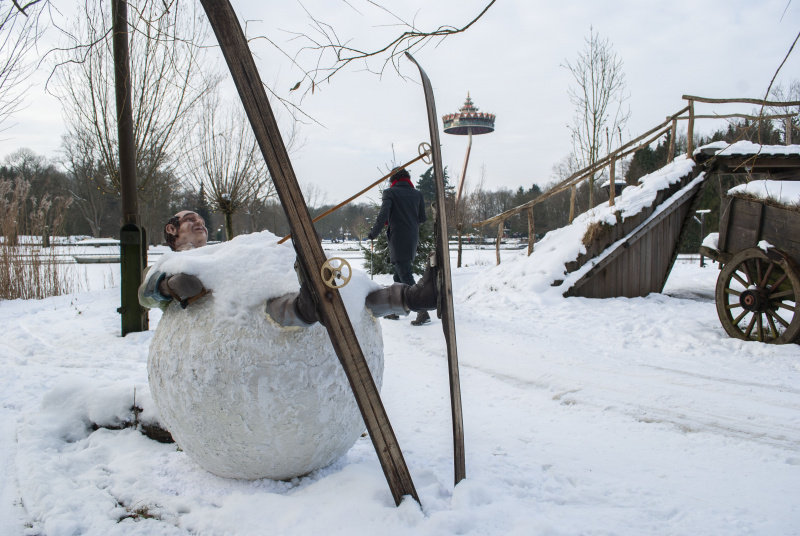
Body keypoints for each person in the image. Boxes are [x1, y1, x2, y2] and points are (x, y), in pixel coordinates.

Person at [138, 210, 438, 327]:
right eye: (190, 219)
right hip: (238, 303)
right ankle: (304, 307)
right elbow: (146, 295)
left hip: (262, 273)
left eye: (202, 220)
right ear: (172, 230)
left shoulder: (225, 247)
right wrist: (167, 285)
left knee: (344, 287)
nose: (199, 221)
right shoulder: (168, 263)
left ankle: (414, 297)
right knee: (266, 299)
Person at [366, 167, 430, 326]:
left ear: (393, 179)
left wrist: (373, 233)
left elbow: (383, 215)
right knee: (398, 275)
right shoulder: (417, 194)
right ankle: (395, 309)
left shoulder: (390, 193)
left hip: (398, 237)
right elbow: (422, 218)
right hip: (411, 238)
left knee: (406, 276)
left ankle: (422, 311)